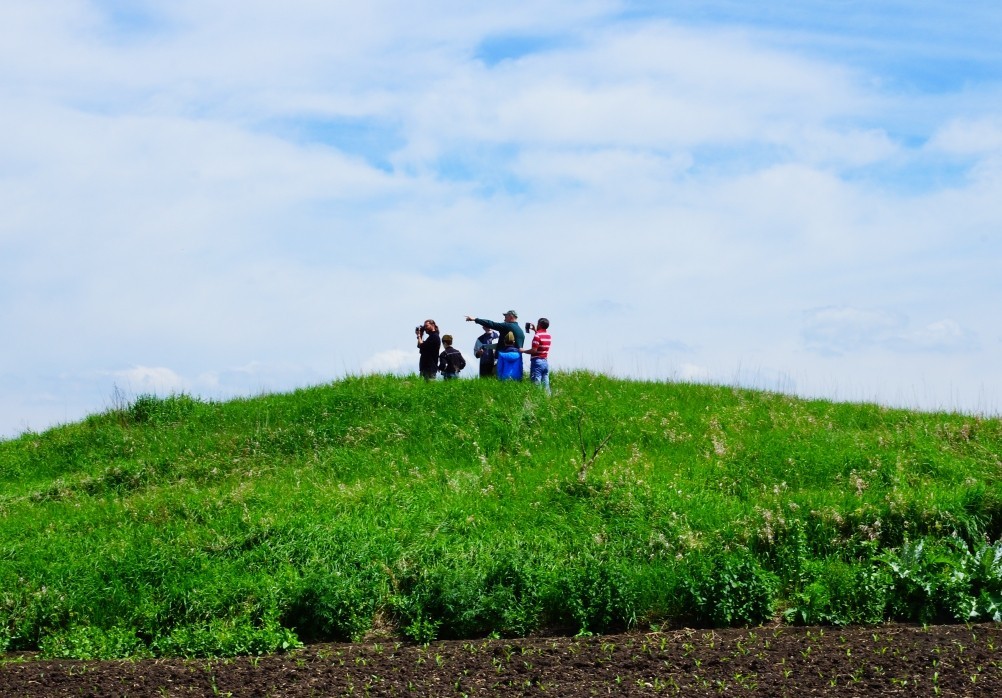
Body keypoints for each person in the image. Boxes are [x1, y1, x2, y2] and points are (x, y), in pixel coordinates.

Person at [521, 317, 551, 394]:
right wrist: (535, 330)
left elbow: (534, 350)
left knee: (536, 382)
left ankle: (536, 398)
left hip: (537, 361)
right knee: (546, 383)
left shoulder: (537, 336)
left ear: (540, 325)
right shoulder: (548, 335)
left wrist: (523, 351)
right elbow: (541, 340)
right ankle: (548, 398)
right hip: (545, 361)